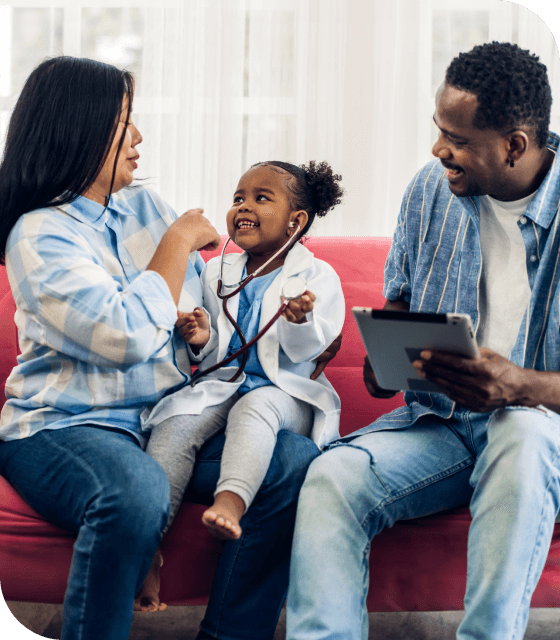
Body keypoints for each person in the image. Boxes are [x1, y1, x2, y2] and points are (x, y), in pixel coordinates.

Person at [0, 56, 336, 640]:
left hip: (160, 419)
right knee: (134, 489)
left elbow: (196, 320)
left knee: (292, 463)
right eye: (124, 121)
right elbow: (126, 334)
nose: (138, 137)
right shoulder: (39, 234)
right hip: (69, 426)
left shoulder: (146, 208)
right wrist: (180, 240)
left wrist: (235, 332)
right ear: (80, 126)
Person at [286, 41, 560, 640]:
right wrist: (388, 361)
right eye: (438, 131)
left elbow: (532, 406)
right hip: (441, 425)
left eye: (457, 139)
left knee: (522, 427)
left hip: (540, 432)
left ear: (514, 144)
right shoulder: (430, 190)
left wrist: (521, 385)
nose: (440, 150)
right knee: (331, 479)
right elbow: (401, 307)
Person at [134, 161, 345, 609]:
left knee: (259, 406)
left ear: (297, 220)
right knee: (178, 421)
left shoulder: (317, 277)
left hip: (286, 394)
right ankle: (146, 550)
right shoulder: (217, 272)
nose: (244, 206)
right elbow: (213, 353)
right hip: (224, 385)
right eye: (238, 198)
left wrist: (300, 319)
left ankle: (229, 502)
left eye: (261, 198)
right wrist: (200, 335)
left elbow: (312, 352)